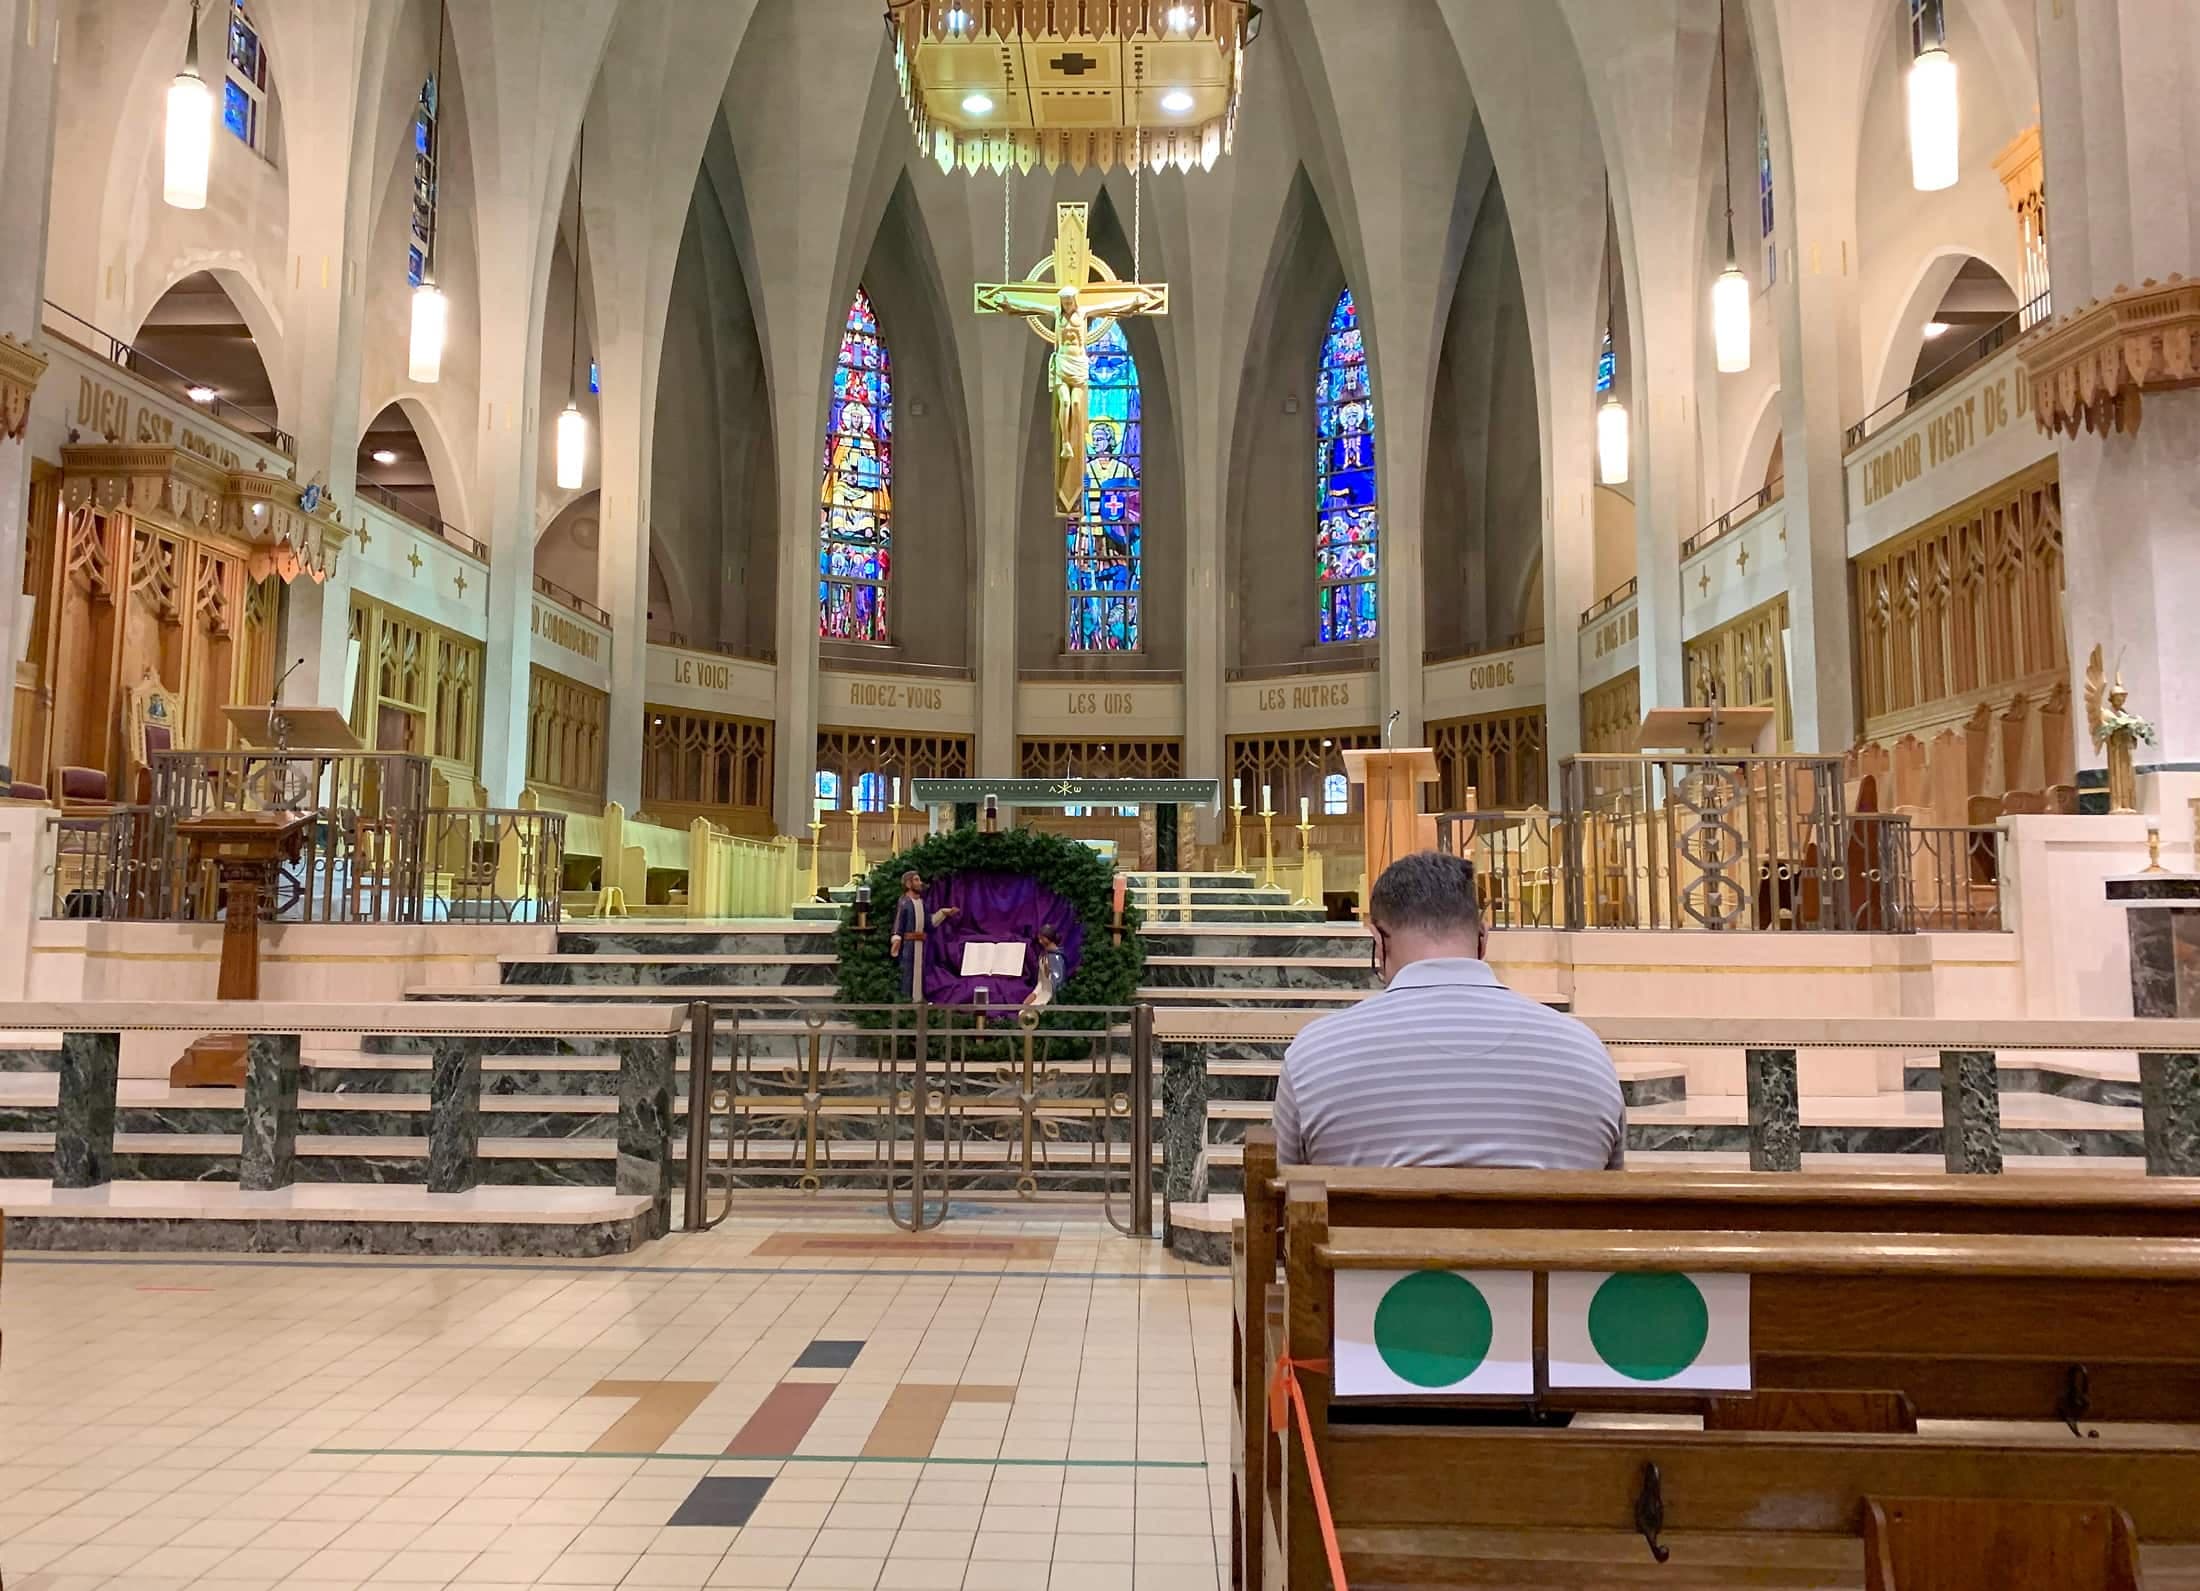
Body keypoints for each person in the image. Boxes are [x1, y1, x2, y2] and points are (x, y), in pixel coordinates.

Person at [1272, 849, 1625, 1169]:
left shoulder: (1316, 1054)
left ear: (1377, 943)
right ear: (1483, 939)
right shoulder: (1585, 1053)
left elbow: (1287, 1203)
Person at [888, 870, 957, 1000]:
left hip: (921, 944)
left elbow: (929, 923)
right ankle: (906, 1000)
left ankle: (918, 999)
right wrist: (896, 937)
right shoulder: (904, 902)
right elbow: (898, 921)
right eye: (916, 880)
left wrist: (943, 913)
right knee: (908, 972)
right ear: (908, 884)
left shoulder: (921, 903)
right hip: (909, 945)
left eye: (919, 880)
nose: (920, 883)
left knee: (920, 972)